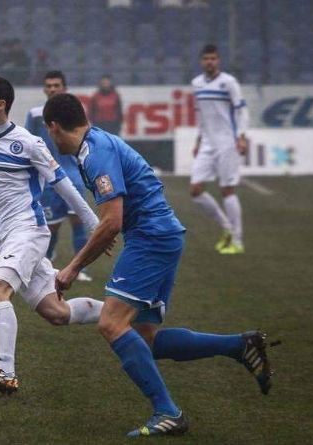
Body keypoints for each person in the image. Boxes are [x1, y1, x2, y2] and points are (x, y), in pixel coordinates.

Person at [43, 92, 276, 437]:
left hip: (150, 238)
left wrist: (73, 266)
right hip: (160, 235)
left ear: (54, 126)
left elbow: (112, 221)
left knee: (111, 323)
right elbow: (112, 220)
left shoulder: (95, 153)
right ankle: (238, 345)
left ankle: (167, 412)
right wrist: (101, 238)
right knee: (145, 338)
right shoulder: (95, 144)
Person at [0, 73, 105, 394]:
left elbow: (63, 185)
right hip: (2, 236)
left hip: (28, 231)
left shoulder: (29, 143)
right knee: (56, 312)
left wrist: (93, 223)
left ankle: (5, 373)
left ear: (0, 105)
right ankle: (126, 312)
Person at [25, 70, 92, 282]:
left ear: (64, 88)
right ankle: (47, 259)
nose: (52, 89)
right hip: (47, 177)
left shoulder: (76, 112)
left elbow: (87, 137)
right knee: (51, 226)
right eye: (49, 85)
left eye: (56, 85)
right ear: (44, 89)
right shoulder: (35, 114)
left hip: (73, 173)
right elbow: (28, 142)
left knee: (77, 221)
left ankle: (80, 269)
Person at [190, 43, 249, 254]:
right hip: (207, 143)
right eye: (206, 59)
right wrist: (198, 140)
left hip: (227, 142)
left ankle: (237, 241)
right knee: (195, 190)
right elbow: (200, 115)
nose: (209, 62)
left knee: (227, 190)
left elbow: (242, 111)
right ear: (201, 61)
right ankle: (227, 228)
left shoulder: (229, 82)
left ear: (218, 60)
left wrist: (242, 137)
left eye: (213, 59)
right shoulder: (197, 83)